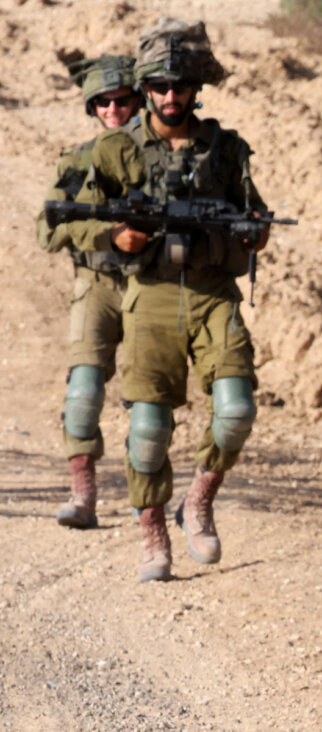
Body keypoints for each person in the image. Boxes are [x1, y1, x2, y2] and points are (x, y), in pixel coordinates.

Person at [68, 18, 269, 582]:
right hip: (150, 297)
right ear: (146, 87)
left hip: (213, 295)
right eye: (159, 86)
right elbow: (74, 221)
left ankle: (199, 497)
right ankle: (153, 533)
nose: (171, 97)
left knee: (236, 411)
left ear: (196, 87)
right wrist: (114, 237)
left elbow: (255, 211)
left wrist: (254, 232)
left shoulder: (226, 150)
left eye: (181, 86)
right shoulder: (114, 150)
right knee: (148, 430)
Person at [37, 53, 141, 529]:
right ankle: (83, 495)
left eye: (122, 101)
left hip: (150, 283)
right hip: (96, 283)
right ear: (92, 106)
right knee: (83, 392)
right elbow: (49, 231)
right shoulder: (79, 161)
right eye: (104, 102)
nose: (114, 110)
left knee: (147, 401)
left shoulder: (157, 158)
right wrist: (105, 234)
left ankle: (148, 501)